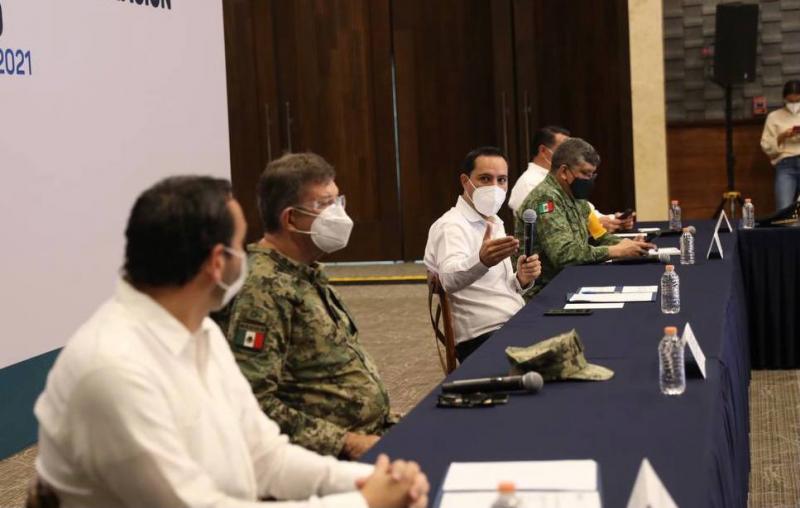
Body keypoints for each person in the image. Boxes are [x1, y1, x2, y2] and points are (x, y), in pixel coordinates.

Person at [33, 176, 428, 508]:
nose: (251, 257)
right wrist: (364, 501)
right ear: (216, 263)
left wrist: (365, 480)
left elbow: (265, 456)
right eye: (241, 246)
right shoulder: (113, 369)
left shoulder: (200, 332)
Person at [220, 153, 393, 461]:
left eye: (338, 201)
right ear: (290, 219)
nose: (338, 214)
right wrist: (347, 442)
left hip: (370, 436)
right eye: (324, 204)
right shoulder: (263, 287)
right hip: (328, 459)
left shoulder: (304, 271)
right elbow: (253, 402)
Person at [424, 146, 541, 362]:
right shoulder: (451, 226)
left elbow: (493, 287)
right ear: (465, 181)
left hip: (514, 321)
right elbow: (448, 279)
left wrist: (520, 280)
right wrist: (482, 260)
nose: (495, 187)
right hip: (482, 336)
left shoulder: (494, 221)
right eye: (485, 179)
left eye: (501, 180)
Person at [513, 138, 654, 296]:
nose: (590, 180)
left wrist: (627, 244)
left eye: (593, 174)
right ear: (564, 172)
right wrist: (616, 251)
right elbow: (564, 255)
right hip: (545, 291)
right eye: (586, 173)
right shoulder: (545, 199)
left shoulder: (576, 196)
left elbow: (598, 236)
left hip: (572, 281)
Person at [509, 126, 634, 232]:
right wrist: (593, 227)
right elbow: (551, 229)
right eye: (563, 149)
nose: (570, 154)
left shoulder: (565, 179)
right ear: (543, 151)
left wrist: (614, 220)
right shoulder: (529, 183)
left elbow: (587, 212)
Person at [761, 79, 800, 211]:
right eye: (790, 101)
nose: (794, 104)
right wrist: (782, 136)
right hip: (785, 165)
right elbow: (766, 145)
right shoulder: (774, 117)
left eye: (797, 101)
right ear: (784, 99)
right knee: (784, 210)